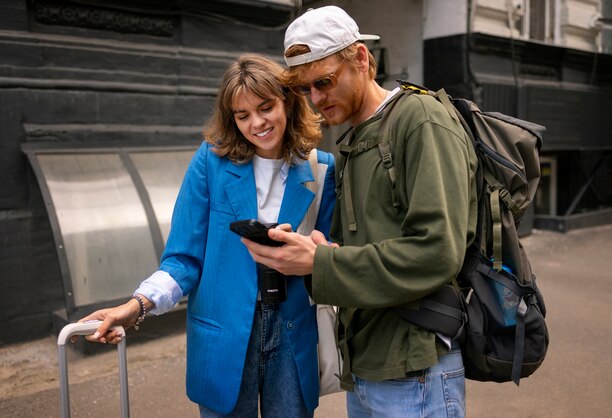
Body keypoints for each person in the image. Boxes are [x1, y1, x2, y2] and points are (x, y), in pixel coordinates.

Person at [242, 6, 477, 418]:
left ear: (362, 60)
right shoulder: (353, 141)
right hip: (366, 368)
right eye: (304, 89)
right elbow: (361, 248)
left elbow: (438, 251)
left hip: (416, 370)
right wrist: (315, 250)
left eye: (324, 82)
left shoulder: (420, 120)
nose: (315, 99)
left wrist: (322, 262)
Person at [78, 53, 336, 418]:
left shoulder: (322, 169)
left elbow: (330, 258)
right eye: (242, 115)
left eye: (266, 108)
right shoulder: (210, 162)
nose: (257, 123)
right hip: (223, 334)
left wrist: (316, 254)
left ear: (288, 102)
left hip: (293, 332)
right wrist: (136, 306)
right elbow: (183, 259)